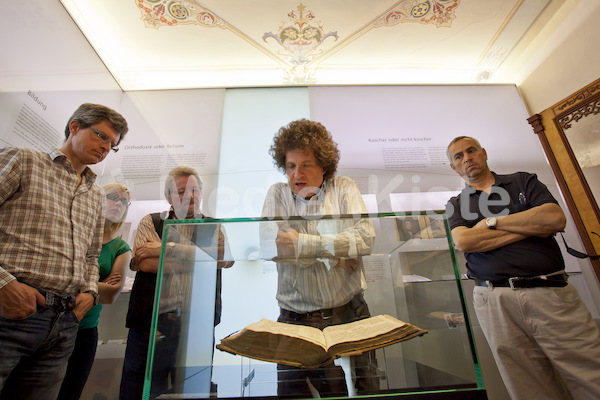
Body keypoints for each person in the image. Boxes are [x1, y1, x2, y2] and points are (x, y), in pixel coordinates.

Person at [445, 136, 600, 400]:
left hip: (549, 293)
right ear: (454, 167)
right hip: (494, 299)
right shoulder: (456, 204)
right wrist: (529, 227)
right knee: (527, 386)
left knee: (589, 373)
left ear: (483, 153)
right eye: (458, 156)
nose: (466, 158)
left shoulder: (523, 181)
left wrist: (490, 223)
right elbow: (464, 240)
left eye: (471, 151)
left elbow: (554, 218)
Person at [0, 103, 128, 400]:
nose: (106, 147)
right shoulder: (24, 161)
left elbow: (91, 256)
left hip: (63, 323)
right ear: (74, 127)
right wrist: (4, 284)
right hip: (9, 313)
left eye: (113, 144)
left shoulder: (95, 194)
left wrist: (89, 294)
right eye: (101, 136)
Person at [260, 119, 379, 397]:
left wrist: (301, 243)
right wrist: (335, 256)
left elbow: (365, 238)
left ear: (324, 166)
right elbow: (270, 248)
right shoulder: (277, 194)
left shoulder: (343, 187)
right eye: (290, 166)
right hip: (294, 320)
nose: (296, 173)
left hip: (349, 312)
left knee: (368, 390)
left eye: (306, 165)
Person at [120, 167, 233, 400]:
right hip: (152, 328)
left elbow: (225, 259)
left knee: (193, 392)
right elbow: (147, 264)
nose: (190, 196)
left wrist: (169, 248)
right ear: (168, 197)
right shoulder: (150, 221)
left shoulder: (214, 225)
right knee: (143, 391)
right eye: (182, 191)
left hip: (196, 329)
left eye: (195, 189)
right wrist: (203, 258)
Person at [57, 183, 132, 400]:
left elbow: (110, 295)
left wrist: (79, 280)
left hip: (85, 329)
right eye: (113, 197)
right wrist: (99, 283)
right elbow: (57, 277)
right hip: (50, 322)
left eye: (124, 201)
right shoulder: (73, 231)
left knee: (70, 392)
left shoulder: (121, 247)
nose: (118, 204)